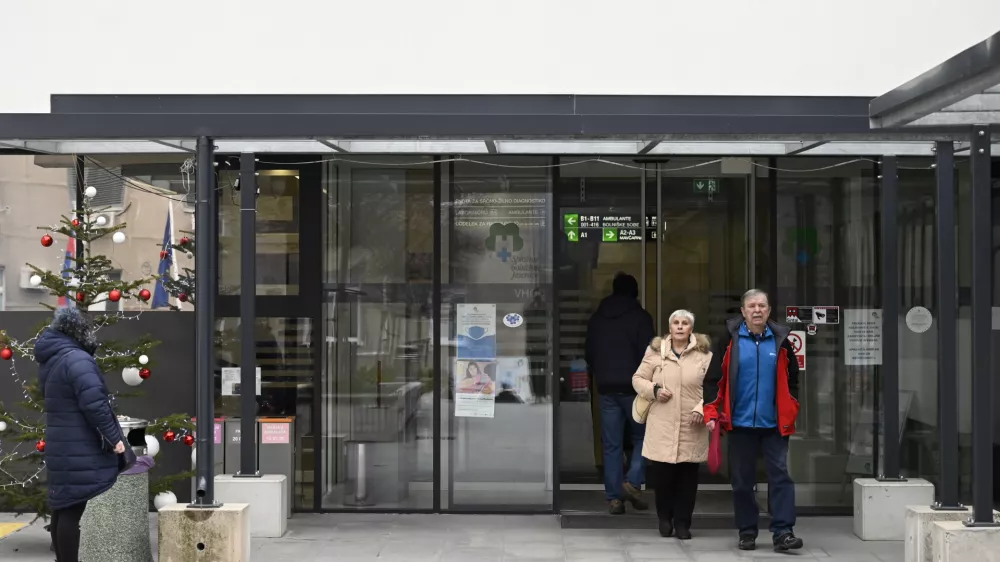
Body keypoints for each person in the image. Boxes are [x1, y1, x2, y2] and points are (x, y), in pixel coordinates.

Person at [703, 289, 803, 552]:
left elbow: (793, 380)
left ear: (768, 311)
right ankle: (747, 531)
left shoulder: (781, 341)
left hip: (774, 424)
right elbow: (714, 381)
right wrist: (711, 412)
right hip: (740, 424)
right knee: (742, 481)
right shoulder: (729, 341)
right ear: (743, 311)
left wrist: (791, 407)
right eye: (752, 306)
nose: (757, 310)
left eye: (762, 306)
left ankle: (783, 532)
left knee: (780, 477)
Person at [36, 305, 126, 562]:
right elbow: (95, 404)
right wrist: (114, 438)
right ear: (79, 332)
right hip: (79, 446)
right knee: (71, 511)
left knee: (63, 508)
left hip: (62, 444)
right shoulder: (77, 359)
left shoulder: (54, 358)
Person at [632, 310, 712, 539]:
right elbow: (637, 379)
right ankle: (664, 518)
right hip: (662, 424)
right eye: (675, 323)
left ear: (691, 329)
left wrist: (701, 408)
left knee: (687, 479)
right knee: (663, 477)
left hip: (692, 424)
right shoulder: (655, 352)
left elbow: (714, 386)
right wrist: (654, 390)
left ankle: (683, 523)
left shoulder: (705, 356)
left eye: (685, 323)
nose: (680, 326)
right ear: (669, 328)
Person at [585, 272, 655, 514]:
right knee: (644, 437)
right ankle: (633, 482)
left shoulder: (597, 319)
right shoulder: (641, 317)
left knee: (611, 445)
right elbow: (650, 355)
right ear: (635, 292)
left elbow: (588, 353)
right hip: (635, 389)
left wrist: (602, 373)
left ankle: (614, 498)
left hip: (606, 388)